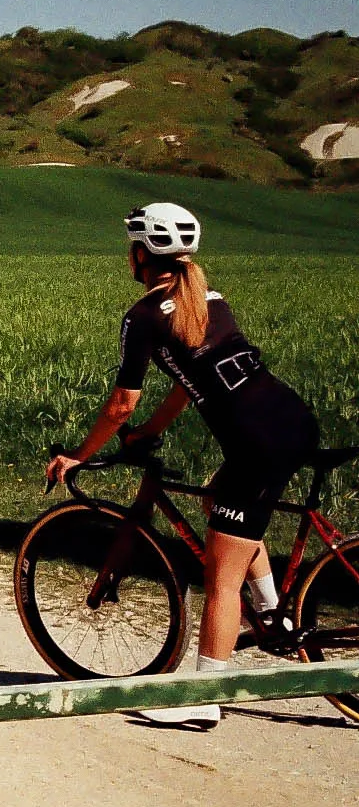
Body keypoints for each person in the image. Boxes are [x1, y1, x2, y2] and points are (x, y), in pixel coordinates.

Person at [47, 202, 320, 730]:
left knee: (221, 577)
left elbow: (120, 405)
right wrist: (154, 430)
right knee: (221, 497)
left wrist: (80, 453)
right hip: (292, 421)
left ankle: (203, 696)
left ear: (142, 254)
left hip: (258, 444)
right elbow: (187, 377)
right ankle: (272, 614)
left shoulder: (144, 316)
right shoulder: (209, 299)